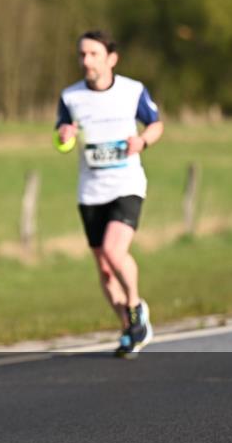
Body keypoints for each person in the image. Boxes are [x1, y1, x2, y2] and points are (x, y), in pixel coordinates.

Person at [55, 31, 163, 357]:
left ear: (111, 59)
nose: (86, 60)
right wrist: (64, 135)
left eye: (93, 54)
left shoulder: (132, 90)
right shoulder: (70, 96)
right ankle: (130, 329)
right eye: (82, 55)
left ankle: (135, 306)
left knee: (115, 252)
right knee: (104, 268)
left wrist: (142, 141)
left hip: (126, 184)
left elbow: (156, 124)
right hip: (90, 191)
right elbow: (62, 136)